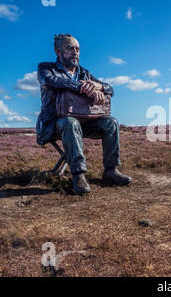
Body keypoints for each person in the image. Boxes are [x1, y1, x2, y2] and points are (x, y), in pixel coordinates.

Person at [36, 34, 132, 195]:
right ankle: (78, 175)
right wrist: (81, 87)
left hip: (84, 122)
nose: (75, 52)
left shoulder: (84, 73)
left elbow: (110, 89)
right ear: (57, 51)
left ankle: (110, 170)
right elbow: (50, 81)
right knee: (70, 123)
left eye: (77, 49)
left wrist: (97, 86)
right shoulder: (46, 68)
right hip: (55, 124)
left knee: (111, 122)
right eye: (70, 48)